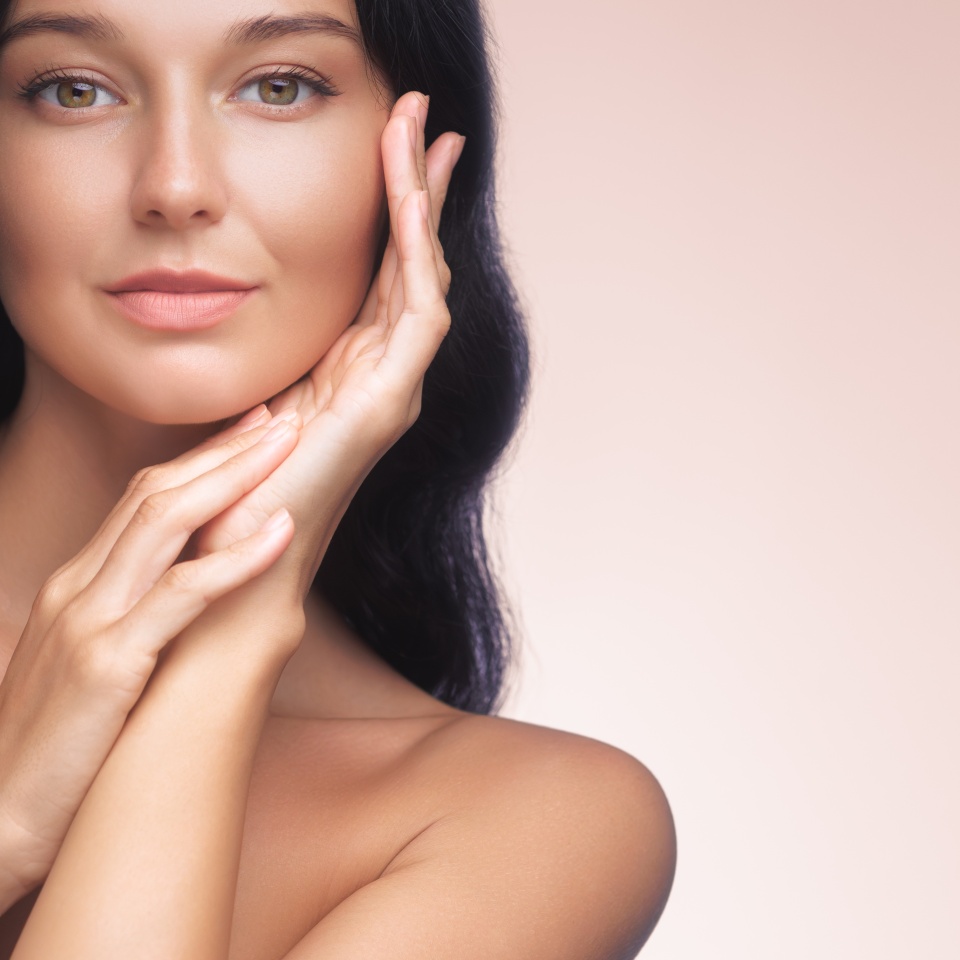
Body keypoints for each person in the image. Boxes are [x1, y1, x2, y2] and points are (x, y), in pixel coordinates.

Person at [0, 0, 676, 956]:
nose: (176, 186)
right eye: (73, 90)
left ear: (421, 149)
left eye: (280, 87)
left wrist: (224, 637)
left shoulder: (528, 822)